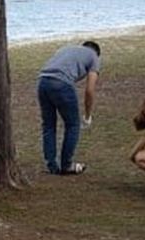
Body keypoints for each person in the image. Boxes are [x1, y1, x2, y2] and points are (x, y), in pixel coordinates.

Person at [35, 41, 102, 175]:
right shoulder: (94, 57)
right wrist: (88, 116)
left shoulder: (65, 48)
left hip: (43, 81)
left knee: (48, 125)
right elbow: (90, 90)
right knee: (73, 125)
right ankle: (67, 165)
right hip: (62, 84)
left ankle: (52, 165)